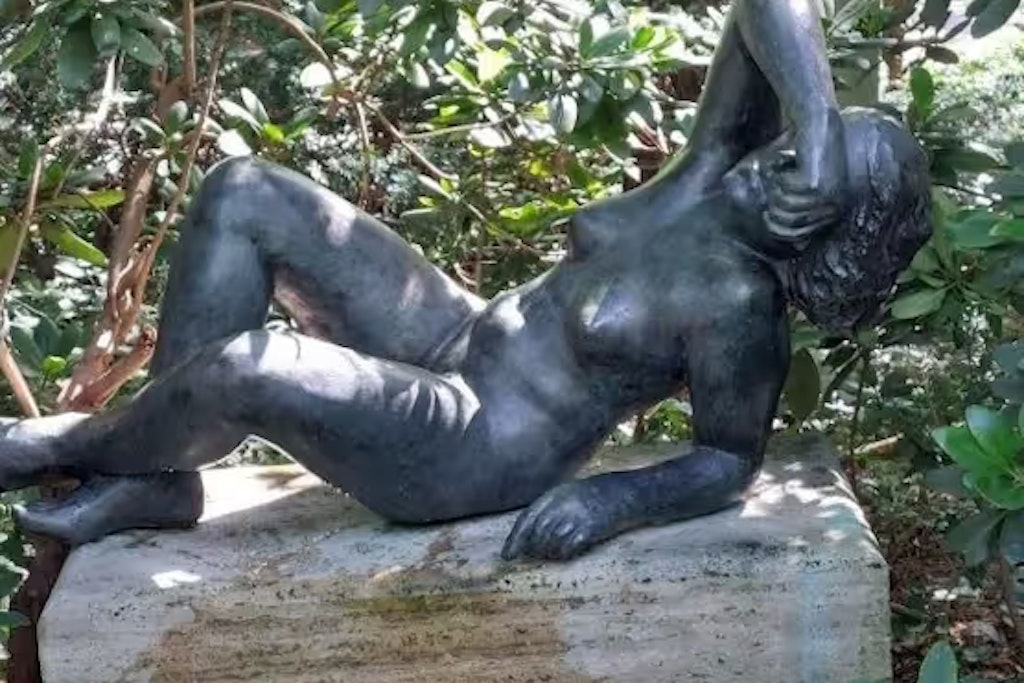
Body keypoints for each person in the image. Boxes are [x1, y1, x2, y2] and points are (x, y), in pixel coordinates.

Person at [0, 0, 931, 560]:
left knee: (254, 366)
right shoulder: (710, 170)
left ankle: (70, 444)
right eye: (797, 150)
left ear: (829, 228)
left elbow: (728, 461)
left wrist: (611, 501)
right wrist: (820, 121)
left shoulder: (742, 306)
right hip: (458, 333)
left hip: (478, 443)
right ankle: (158, 474)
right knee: (245, 192)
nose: (780, 163)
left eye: (811, 179)